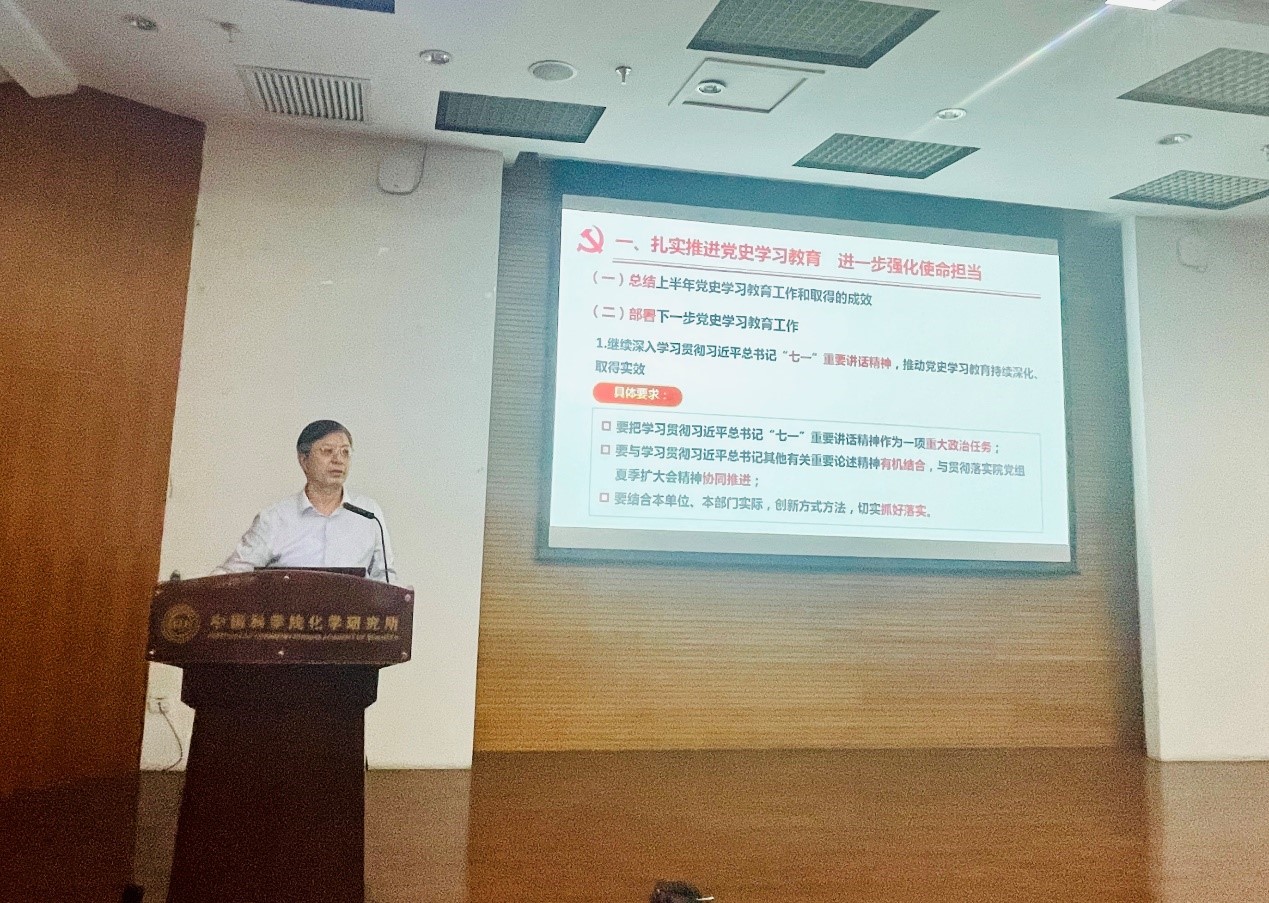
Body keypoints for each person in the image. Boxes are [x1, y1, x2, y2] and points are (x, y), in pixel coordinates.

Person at [214, 419, 396, 582]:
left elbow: (385, 579)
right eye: (328, 451)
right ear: (304, 460)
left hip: (353, 610)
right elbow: (232, 574)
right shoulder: (275, 518)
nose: (338, 460)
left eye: (345, 452)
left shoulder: (369, 514)